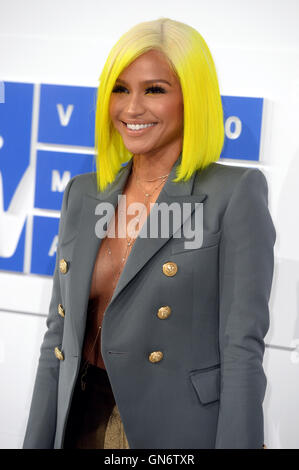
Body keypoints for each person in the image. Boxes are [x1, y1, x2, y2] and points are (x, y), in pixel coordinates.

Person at [23, 17, 275, 449]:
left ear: (191, 99)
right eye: (120, 88)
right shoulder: (83, 193)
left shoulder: (233, 194)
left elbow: (241, 351)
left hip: (174, 429)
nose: (132, 108)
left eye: (154, 90)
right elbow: (57, 339)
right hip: (81, 418)